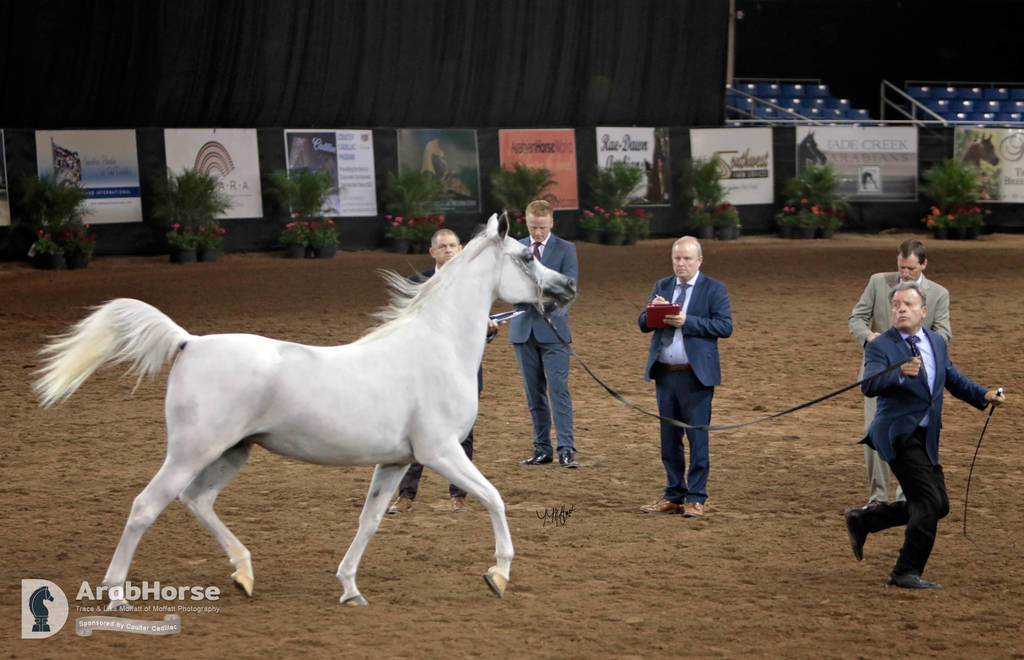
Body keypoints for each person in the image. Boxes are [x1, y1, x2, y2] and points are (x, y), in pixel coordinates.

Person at [844, 282, 1003, 589]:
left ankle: (864, 520)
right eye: (896, 305)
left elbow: (951, 377)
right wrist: (899, 374)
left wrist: (983, 395)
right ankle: (904, 571)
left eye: (908, 304)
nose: (901, 309)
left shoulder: (935, 342)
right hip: (897, 435)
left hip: (926, 437)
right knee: (928, 501)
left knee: (939, 505)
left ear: (924, 311)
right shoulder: (880, 346)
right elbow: (869, 385)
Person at [388, 228, 499, 514]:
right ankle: (406, 495)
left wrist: (488, 330)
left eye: (453, 245)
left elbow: (480, 332)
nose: (449, 250)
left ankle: (459, 495)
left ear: (461, 249)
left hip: (462, 372)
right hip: (424, 371)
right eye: (443, 246)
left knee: (464, 432)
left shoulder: (476, 287)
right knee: (415, 431)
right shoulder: (416, 283)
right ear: (433, 252)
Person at [849, 239, 951, 509]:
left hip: (917, 378)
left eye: (911, 269)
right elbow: (856, 318)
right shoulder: (877, 282)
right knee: (874, 432)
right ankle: (877, 496)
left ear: (924, 264)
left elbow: (943, 332)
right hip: (879, 374)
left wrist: (924, 350)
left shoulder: (939, 294)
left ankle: (907, 496)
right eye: (901, 267)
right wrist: (868, 336)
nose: (904, 274)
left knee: (911, 434)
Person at [638, 236, 732, 517]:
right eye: (677, 258)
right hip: (665, 375)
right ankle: (674, 495)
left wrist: (687, 321)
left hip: (696, 377)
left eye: (687, 258)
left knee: (697, 439)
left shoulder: (714, 289)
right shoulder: (662, 286)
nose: (681, 263)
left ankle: (696, 498)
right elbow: (642, 323)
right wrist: (653, 312)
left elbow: (724, 326)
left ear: (699, 260)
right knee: (669, 440)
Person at [509, 199, 580, 468]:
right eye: (533, 227)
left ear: (551, 223)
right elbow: (507, 285)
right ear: (526, 223)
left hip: (554, 330)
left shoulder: (566, 249)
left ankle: (566, 448)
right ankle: (541, 448)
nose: (537, 233)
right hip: (523, 331)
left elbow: (569, 287)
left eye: (542, 227)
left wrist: (546, 302)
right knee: (533, 393)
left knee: (558, 390)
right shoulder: (515, 249)